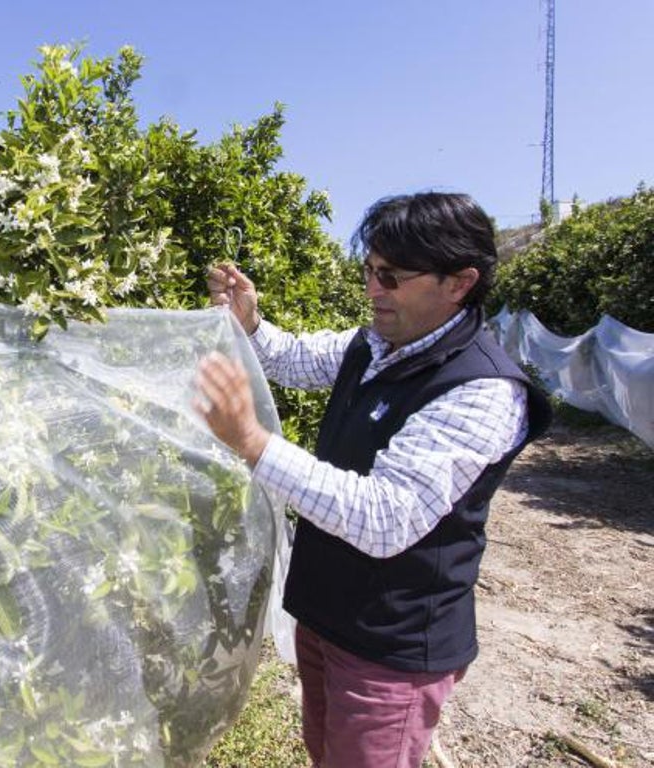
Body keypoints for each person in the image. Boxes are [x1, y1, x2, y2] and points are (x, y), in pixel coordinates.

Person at [194, 192, 552, 768]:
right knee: (325, 752)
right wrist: (250, 324)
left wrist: (254, 443)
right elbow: (294, 359)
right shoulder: (378, 345)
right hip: (327, 613)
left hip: (390, 648)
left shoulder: (482, 390)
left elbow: (385, 519)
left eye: (391, 275)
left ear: (459, 282)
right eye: (369, 270)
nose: (372, 289)